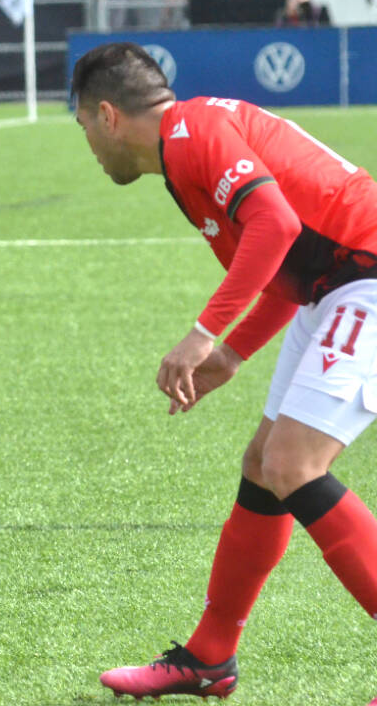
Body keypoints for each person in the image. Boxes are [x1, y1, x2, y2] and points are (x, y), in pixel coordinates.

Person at [71, 42, 377, 701]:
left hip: (368, 273)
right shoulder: (188, 146)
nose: (90, 147)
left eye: (82, 128)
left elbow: (274, 223)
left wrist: (203, 334)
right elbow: (284, 265)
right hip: (336, 285)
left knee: (294, 465)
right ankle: (210, 658)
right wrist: (232, 355)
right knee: (264, 464)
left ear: (106, 115)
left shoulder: (192, 133)